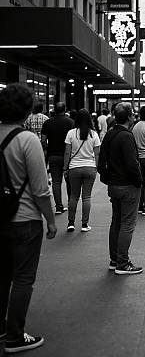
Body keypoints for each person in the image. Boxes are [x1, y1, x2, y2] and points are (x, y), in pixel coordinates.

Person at [0, 84, 57, 354]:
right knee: (23, 278)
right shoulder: (27, 140)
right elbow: (40, 189)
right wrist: (52, 220)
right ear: (26, 110)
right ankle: (14, 336)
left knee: (1, 276)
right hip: (25, 220)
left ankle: (2, 327)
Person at [98, 103, 143, 275]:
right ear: (130, 117)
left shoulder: (110, 134)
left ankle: (114, 259)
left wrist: (108, 178)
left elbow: (101, 161)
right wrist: (138, 182)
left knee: (116, 221)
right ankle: (123, 263)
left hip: (114, 185)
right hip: (127, 186)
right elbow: (132, 164)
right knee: (127, 224)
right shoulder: (126, 136)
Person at [63, 109, 101, 232]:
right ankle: (84, 225)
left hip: (74, 167)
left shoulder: (71, 133)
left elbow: (67, 152)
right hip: (90, 167)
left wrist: (65, 167)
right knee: (86, 197)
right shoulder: (93, 134)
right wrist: (97, 167)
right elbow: (97, 154)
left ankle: (71, 223)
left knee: (73, 196)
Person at [41, 102, 74, 214]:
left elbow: (43, 141)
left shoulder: (47, 123)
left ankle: (58, 206)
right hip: (67, 156)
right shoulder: (71, 123)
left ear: (54, 110)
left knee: (56, 182)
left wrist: (49, 148)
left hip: (53, 155)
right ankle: (70, 203)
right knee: (69, 181)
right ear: (65, 109)